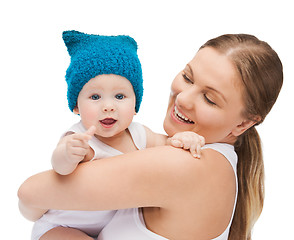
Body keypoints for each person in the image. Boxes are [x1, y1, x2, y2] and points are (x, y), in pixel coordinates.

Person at [18, 33, 283, 240]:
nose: (183, 98)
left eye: (210, 99)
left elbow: (29, 194)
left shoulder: (187, 164)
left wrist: (33, 212)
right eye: (188, 78)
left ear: (244, 124)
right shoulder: (215, 163)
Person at [23, 30, 204, 240]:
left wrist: (183, 139)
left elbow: (167, 144)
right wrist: (67, 153)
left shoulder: (139, 134)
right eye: (95, 96)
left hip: (110, 227)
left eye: (119, 96)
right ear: (76, 106)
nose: (108, 106)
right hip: (62, 225)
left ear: (135, 105)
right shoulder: (80, 138)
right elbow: (59, 166)